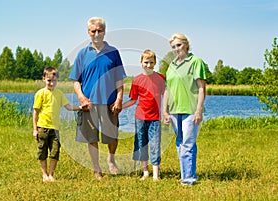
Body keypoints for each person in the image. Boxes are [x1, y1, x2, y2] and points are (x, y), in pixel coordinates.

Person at [69, 17, 126, 179]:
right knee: (91, 137)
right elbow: (75, 81)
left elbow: (119, 80)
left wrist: (119, 99)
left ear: (104, 31)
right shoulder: (82, 54)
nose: (96, 34)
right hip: (89, 104)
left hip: (109, 103)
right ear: (88, 33)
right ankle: (96, 168)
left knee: (112, 136)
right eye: (93, 31)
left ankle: (111, 158)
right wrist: (81, 98)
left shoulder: (113, 53)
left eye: (99, 30)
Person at [162, 33, 207, 186]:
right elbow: (167, 89)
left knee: (188, 143)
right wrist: (165, 111)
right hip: (174, 111)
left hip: (190, 110)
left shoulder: (196, 62)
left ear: (186, 44)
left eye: (179, 45)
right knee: (180, 143)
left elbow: (202, 88)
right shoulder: (172, 65)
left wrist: (199, 111)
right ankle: (185, 174)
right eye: (173, 47)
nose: (176, 49)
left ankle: (188, 179)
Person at [33, 66, 83, 182]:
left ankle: (51, 174)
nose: (51, 83)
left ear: (57, 81)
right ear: (44, 79)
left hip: (55, 129)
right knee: (42, 151)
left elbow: (68, 107)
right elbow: (35, 112)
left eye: (54, 80)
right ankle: (44, 174)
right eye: (49, 80)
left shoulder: (59, 93)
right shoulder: (40, 93)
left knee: (55, 152)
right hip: (42, 128)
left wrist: (80, 107)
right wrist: (35, 129)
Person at [122, 50, 165, 181]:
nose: (148, 65)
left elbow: (165, 96)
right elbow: (133, 100)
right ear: (141, 63)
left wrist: (166, 111)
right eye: (146, 62)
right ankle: (145, 172)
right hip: (140, 117)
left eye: (151, 62)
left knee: (155, 144)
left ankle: (156, 174)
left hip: (155, 118)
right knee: (141, 143)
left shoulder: (160, 78)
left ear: (155, 63)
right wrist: (120, 106)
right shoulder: (137, 80)